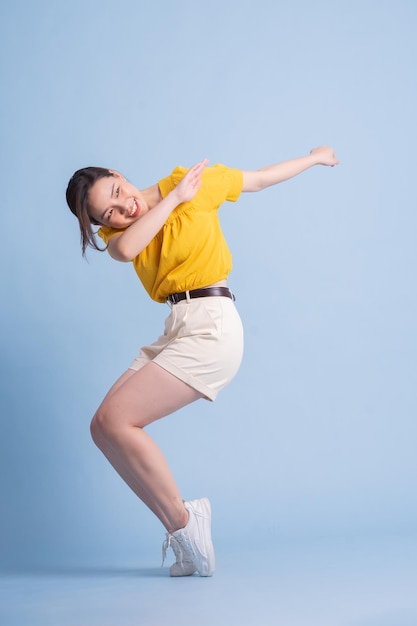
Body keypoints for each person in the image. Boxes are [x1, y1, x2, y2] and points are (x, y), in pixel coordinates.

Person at [66, 146, 339, 577]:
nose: (124, 207)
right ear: (104, 225)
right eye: (110, 213)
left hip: (211, 325)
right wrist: (175, 198)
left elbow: (260, 178)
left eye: (118, 191)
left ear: (119, 172)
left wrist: (313, 157)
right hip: (178, 325)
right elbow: (126, 250)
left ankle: (185, 522)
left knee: (119, 421)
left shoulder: (194, 180)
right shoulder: (126, 233)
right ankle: (184, 538)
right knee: (102, 427)